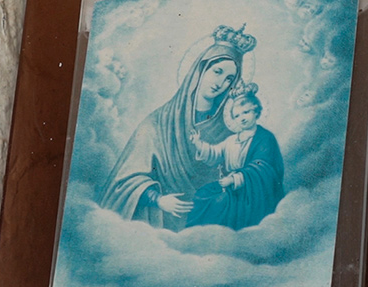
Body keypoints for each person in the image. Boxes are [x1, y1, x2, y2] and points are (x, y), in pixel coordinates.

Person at [99, 25, 254, 229]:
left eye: (229, 79)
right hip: (164, 226)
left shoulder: (230, 128)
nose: (221, 83)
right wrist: (157, 199)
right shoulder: (156, 124)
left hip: (212, 227)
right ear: (200, 68)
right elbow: (125, 181)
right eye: (217, 71)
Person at [184, 83, 285, 230]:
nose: (242, 118)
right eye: (237, 115)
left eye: (246, 112)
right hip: (229, 186)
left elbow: (263, 167)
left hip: (252, 191)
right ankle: (196, 236)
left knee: (220, 202)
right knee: (202, 195)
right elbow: (214, 153)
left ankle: (219, 238)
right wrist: (198, 143)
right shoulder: (232, 140)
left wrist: (234, 179)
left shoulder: (265, 138)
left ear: (256, 112)